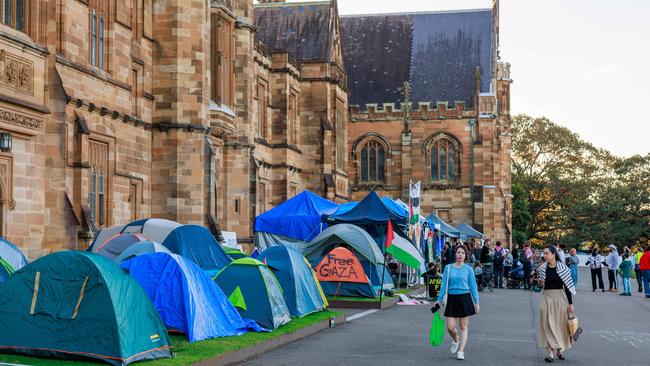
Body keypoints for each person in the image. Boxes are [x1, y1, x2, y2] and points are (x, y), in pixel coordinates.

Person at [433, 245, 480, 361]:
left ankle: (461, 351)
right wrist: (438, 300)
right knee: (450, 327)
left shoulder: (469, 269)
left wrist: (477, 302)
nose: (460, 255)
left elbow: (473, 287)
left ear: (465, 255)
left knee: (463, 326)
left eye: (463, 253)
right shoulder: (448, 268)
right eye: (458, 252)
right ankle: (456, 339)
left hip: (465, 298)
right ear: (455, 254)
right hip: (452, 299)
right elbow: (443, 286)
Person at [537, 245, 576, 362]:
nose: (544, 255)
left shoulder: (563, 268)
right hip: (546, 297)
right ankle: (550, 353)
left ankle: (560, 350)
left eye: (546, 253)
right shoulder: (542, 268)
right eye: (543, 253)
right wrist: (539, 283)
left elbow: (568, 287)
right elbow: (539, 286)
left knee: (560, 325)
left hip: (560, 298)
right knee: (547, 325)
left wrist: (570, 304)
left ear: (553, 254)